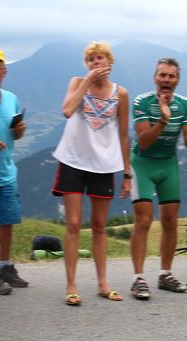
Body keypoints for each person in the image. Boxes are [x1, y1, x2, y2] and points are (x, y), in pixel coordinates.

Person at [52, 42, 131, 305]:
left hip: (103, 164)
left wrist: (127, 173)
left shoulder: (120, 93)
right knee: (73, 224)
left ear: (110, 63)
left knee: (99, 226)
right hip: (73, 160)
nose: (96, 64)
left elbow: (123, 135)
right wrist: (87, 81)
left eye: (100, 59)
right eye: (91, 60)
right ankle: (71, 285)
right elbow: (66, 110)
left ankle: (102, 283)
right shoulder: (77, 82)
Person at [129, 58, 187, 300]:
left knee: (170, 221)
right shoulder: (142, 102)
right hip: (142, 163)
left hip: (167, 164)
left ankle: (165, 273)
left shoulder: (184, 105)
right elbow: (144, 140)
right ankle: (138, 278)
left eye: (171, 76)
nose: (166, 80)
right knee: (143, 220)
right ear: (155, 78)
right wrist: (163, 120)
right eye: (162, 75)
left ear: (177, 80)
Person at [0, 47, 28, 295]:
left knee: (8, 220)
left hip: (7, 171)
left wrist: (19, 131)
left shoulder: (11, 98)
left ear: (5, 71)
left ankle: (5, 266)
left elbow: (16, 132)